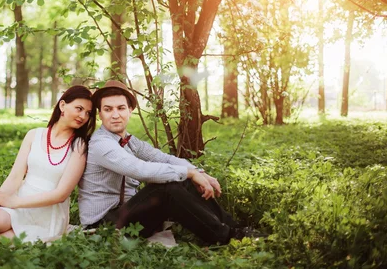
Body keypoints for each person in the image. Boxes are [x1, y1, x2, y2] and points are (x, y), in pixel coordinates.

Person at [78, 80, 260, 244]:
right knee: (168, 187)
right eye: (108, 109)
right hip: (102, 226)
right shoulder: (101, 143)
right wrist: (190, 173)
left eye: (121, 108)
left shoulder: (130, 141)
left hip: (125, 215)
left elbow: (163, 158)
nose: (115, 115)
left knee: (182, 176)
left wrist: (198, 172)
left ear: (130, 110)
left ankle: (237, 230)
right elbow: (140, 169)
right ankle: (225, 236)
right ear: (100, 114)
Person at [0, 85, 95, 242]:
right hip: (21, 198)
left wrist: (15, 202)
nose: (83, 116)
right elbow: (15, 176)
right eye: (79, 108)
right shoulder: (34, 134)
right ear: (62, 105)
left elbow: (61, 195)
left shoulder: (79, 145)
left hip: (48, 210)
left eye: (88, 113)